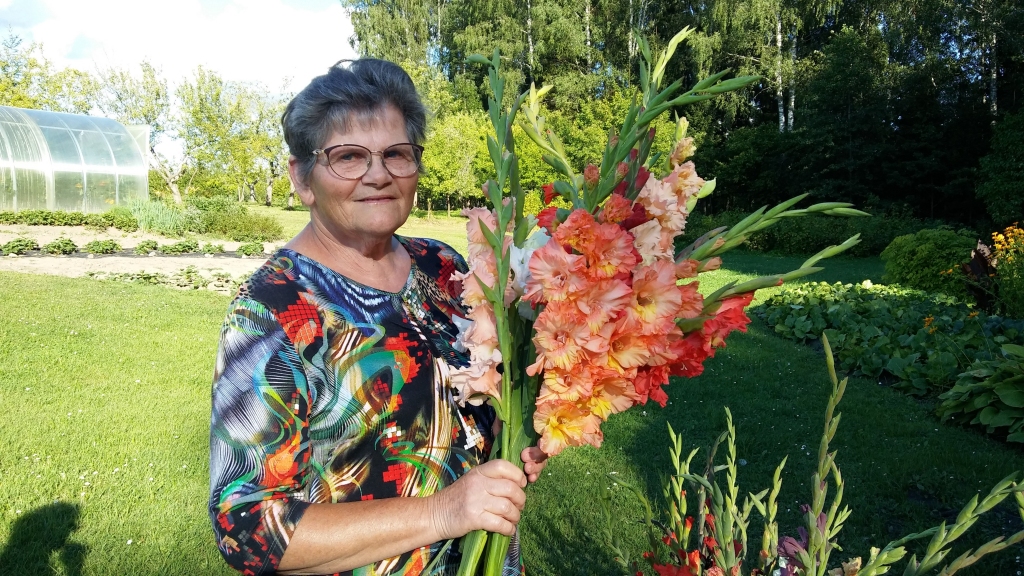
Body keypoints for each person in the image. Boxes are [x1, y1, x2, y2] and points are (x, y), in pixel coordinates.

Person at [208, 59, 548, 576]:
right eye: (348, 156)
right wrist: (445, 511)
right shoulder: (274, 308)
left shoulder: (445, 268)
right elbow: (249, 529)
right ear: (301, 178)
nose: (378, 174)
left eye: (396, 154)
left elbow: (473, 404)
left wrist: (516, 437)